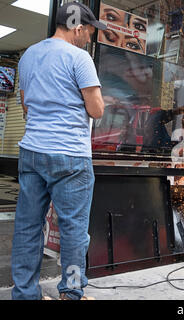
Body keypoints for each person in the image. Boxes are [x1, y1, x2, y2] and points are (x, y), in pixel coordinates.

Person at [12, 2, 106, 300]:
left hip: (32, 153)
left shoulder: (28, 56)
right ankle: (71, 293)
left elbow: (26, 106)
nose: (89, 38)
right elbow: (96, 109)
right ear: (78, 28)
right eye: (89, 31)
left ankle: (25, 294)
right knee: (74, 230)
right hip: (70, 157)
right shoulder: (79, 58)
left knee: (27, 228)